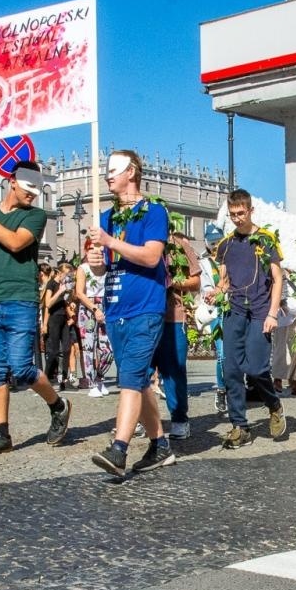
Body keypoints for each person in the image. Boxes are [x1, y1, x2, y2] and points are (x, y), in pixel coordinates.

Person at [0, 160, 72, 455]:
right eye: (28, 187)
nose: (33, 194)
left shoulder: (35, 216)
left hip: (21, 299)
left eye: (37, 189)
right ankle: (2, 434)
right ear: (12, 181)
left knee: (22, 368)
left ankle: (58, 405)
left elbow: (15, 243)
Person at [86, 149, 172, 478]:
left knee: (130, 380)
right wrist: (97, 263)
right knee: (138, 381)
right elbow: (103, 268)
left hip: (145, 309)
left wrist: (110, 241)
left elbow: (151, 257)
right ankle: (160, 445)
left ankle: (119, 449)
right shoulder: (106, 217)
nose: (108, 175)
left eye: (114, 170)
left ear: (132, 172)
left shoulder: (154, 212)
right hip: (115, 309)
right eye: (107, 170)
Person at [204, 189, 287, 448]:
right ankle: (240, 426)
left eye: (241, 213)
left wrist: (273, 313)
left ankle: (274, 404)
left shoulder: (266, 240)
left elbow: (278, 279)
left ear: (251, 211)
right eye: (233, 214)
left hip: (261, 312)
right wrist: (215, 293)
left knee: (257, 368)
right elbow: (225, 282)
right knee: (230, 369)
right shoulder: (225, 245)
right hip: (235, 311)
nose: (237, 218)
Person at [157, 227, 201, 440]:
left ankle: (179, 419)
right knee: (140, 372)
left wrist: (172, 281)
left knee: (174, 370)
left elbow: (195, 281)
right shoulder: (135, 241)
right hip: (142, 315)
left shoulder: (178, 245)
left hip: (172, 316)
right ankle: (139, 419)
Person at [73, 237, 112, 397]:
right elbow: (79, 293)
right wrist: (94, 309)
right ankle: (92, 384)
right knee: (89, 347)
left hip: (106, 305)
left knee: (108, 349)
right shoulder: (83, 268)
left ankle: (99, 377)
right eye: (92, 249)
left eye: (100, 249)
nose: (96, 252)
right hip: (88, 307)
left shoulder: (108, 267)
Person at [41, 262, 73, 391]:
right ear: (60, 273)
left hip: (63, 318)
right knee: (53, 351)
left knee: (66, 349)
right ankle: (45, 379)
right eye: (66, 274)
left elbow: (64, 301)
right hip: (53, 319)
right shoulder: (52, 284)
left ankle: (64, 380)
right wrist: (60, 291)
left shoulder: (65, 285)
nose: (67, 277)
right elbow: (48, 304)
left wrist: (70, 302)